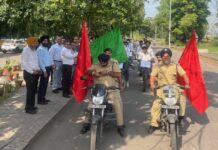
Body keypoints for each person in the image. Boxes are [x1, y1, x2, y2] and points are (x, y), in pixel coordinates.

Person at [80, 53, 126, 137]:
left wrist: (109, 72)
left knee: (117, 104)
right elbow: (87, 71)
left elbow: (118, 74)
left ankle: (120, 126)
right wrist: (94, 73)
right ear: (99, 61)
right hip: (99, 90)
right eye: (101, 62)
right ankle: (86, 124)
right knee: (90, 106)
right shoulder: (96, 64)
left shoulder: (113, 63)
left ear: (108, 60)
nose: (102, 64)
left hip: (111, 89)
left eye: (104, 63)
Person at [148, 48, 190, 134]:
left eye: (167, 56)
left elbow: (184, 74)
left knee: (182, 99)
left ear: (170, 57)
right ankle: (154, 124)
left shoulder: (175, 65)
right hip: (161, 88)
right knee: (156, 104)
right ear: (162, 57)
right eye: (164, 56)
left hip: (174, 87)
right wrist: (152, 84)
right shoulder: (157, 66)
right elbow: (152, 76)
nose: (166, 57)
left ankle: (181, 117)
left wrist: (187, 83)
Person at [21, 37, 41, 114]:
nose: (35, 44)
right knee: (30, 91)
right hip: (29, 74)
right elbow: (24, 64)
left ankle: (32, 106)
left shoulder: (34, 50)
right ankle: (28, 108)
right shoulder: (25, 50)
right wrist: (32, 71)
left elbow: (36, 61)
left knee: (33, 91)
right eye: (34, 43)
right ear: (30, 43)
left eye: (36, 43)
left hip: (35, 73)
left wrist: (38, 69)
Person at [37, 35, 54, 105]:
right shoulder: (40, 49)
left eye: (47, 41)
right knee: (42, 85)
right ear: (41, 41)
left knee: (45, 84)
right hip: (44, 69)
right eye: (44, 41)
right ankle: (40, 100)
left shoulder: (46, 48)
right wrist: (44, 71)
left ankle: (43, 97)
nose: (46, 42)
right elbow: (40, 61)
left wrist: (52, 64)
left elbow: (49, 58)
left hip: (48, 67)